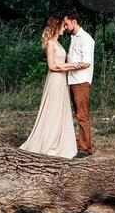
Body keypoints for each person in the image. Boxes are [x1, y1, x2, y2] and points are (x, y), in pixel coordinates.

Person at [19, 15, 89, 158]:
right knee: (53, 110)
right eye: (62, 26)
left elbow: (62, 62)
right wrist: (71, 66)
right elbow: (52, 66)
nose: (65, 28)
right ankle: (49, 141)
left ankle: (60, 139)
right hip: (55, 80)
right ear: (56, 27)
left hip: (62, 80)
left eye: (65, 25)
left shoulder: (59, 43)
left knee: (60, 111)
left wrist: (71, 65)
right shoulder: (50, 43)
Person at [62, 13, 96, 157]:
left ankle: (85, 149)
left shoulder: (86, 39)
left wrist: (68, 66)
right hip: (73, 81)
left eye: (66, 23)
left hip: (81, 82)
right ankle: (81, 143)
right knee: (78, 114)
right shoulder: (74, 38)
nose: (65, 26)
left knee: (82, 115)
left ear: (74, 22)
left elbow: (86, 63)